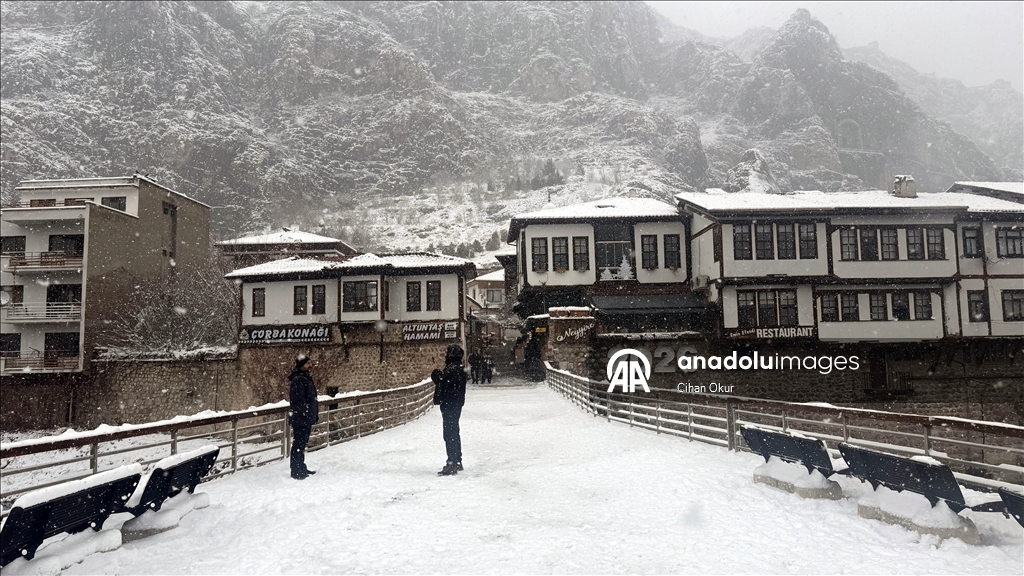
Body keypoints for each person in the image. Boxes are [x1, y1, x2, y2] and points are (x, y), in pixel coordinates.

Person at [431, 344, 467, 476]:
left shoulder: (452, 369)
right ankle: (457, 460)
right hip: (456, 403)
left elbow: (441, 381)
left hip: (450, 404)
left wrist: (435, 371)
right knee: (454, 432)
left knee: (449, 433)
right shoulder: (460, 369)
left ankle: (452, 462)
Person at [288, 354, 319, 479]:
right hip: (301, 418)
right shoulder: (299, 379)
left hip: (304, 417)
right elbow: (299, 400)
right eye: (308, 363)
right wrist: (306, 412)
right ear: (302, 365)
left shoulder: (303, 378)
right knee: (298, 444)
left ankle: (301, 467)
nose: (310, 365)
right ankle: (296, 470)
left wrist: (311, 413)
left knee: (301, 444)